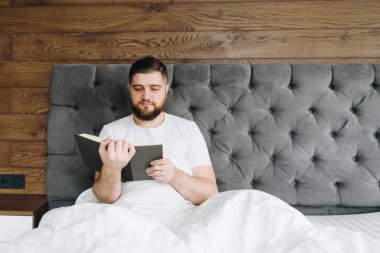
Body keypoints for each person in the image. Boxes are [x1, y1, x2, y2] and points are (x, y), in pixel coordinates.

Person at [92, 56, 218, 205]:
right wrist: (112, 170)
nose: (146, 96)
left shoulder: (187, 129)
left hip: (178, 213)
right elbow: (104, 198)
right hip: (126, 213)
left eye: (154, 88)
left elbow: (211, 193)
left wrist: (175, 176)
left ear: (166, 90)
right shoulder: (111, 132)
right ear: (129, 89)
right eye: (138, 88)